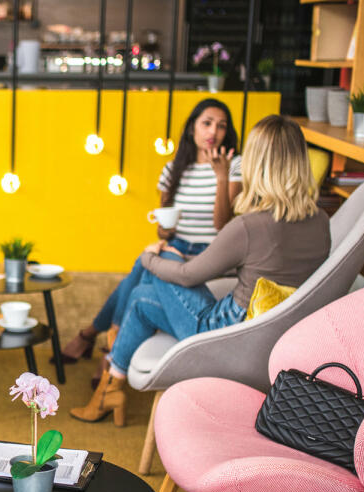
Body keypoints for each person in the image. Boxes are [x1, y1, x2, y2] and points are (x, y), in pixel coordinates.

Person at [69, 115, 331, 425]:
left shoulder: (250, 226)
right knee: (141, 298)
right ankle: (109, 387)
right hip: (273, 334)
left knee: (159, 265)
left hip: (226, 333)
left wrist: (150, 256)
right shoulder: (321, 221)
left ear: (257, 163)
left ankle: (105, 363)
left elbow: (188, 276)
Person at [59, 99, 243, 386]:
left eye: (221, 126)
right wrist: (165, 236)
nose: (213, 131)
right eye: (207, 123)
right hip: (177, 247)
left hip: (212, 254)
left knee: (145, 266)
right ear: (192, 128)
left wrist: (221, 177)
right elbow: (162, 229)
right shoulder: (173, 169)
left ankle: (96, 339)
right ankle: (108, 349)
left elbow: (223, 224)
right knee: (146, 265)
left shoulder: (234, 165)